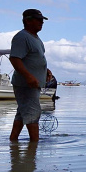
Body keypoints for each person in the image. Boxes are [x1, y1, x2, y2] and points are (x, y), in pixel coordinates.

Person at [9, 9, 51, 142]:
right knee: (33, 114)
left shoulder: (36, 38)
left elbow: (35, 59)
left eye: (42, 20)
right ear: (27, 20)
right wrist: (28, 76)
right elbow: (15, 58)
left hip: (33, 83)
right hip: (26, 84)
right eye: (38, 20)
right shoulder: (22, 37)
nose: (41, 22)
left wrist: (46, 70)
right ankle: (34, 148)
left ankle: (13, 143)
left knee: (22, 114)